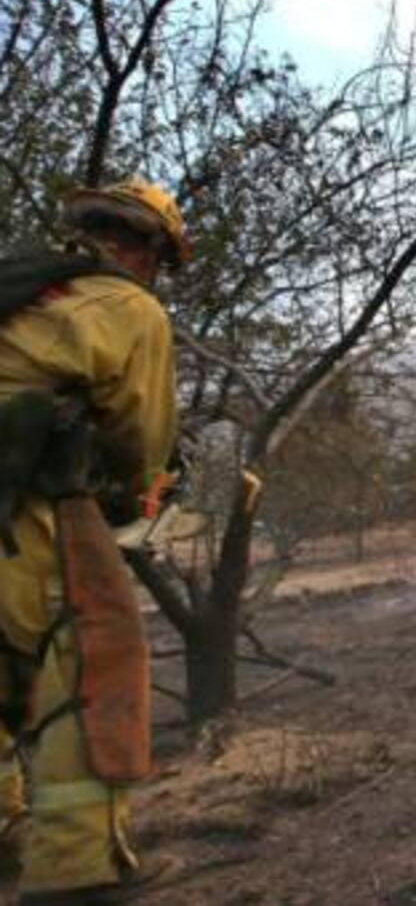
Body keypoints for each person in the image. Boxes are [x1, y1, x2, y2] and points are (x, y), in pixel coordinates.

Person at [0, 179, 187, 904]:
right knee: (95, 658)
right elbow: (140, 440)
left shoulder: (23, 286)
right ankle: (78, 872)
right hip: (22, 513)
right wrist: (144, 489)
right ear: (147, 250)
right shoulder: (129, 308)